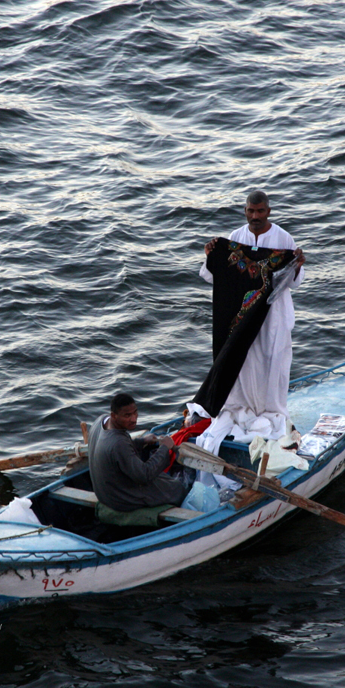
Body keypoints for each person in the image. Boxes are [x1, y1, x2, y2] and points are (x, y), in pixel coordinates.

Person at [196, 190, 305, 437]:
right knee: (244, 361)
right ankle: (242, 407)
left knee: (273, 359)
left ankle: (272, 410)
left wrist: (297, 265)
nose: (255, 216)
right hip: (243, 313)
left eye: (260, 211)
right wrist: (211, 255)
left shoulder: (284, 239)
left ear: (268, 211)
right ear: (245, 211)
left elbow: (294, 282)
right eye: (251, 211)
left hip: (273, 314)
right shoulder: (235, 237)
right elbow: (217, 277)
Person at [88, 392, 192, 514]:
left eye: (135, 412)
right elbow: (144, 475)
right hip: (119, 499)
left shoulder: (101, 421)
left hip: (104, 493)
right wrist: (164, 447)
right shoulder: (118, 443)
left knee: (163, 477)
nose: (134, 419)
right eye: (127, 415)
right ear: (114, 416)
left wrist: (142, 441)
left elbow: (117, 449)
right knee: (177, 489)